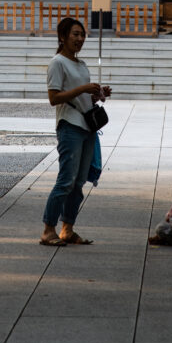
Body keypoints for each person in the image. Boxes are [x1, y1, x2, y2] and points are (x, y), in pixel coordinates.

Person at [41, 17, 111, 246]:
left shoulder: (81, 64)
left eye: (82, 35)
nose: (80, 39)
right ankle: (48, 230)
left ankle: (67, 229)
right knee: (66, 180)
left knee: (79, 181)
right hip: (69, 126)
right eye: (75, 34)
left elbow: (81, 97)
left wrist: (97, 93)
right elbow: (54, 98)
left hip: (87, 127)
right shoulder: (57, 63)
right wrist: (82, 88)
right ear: (62, 37)